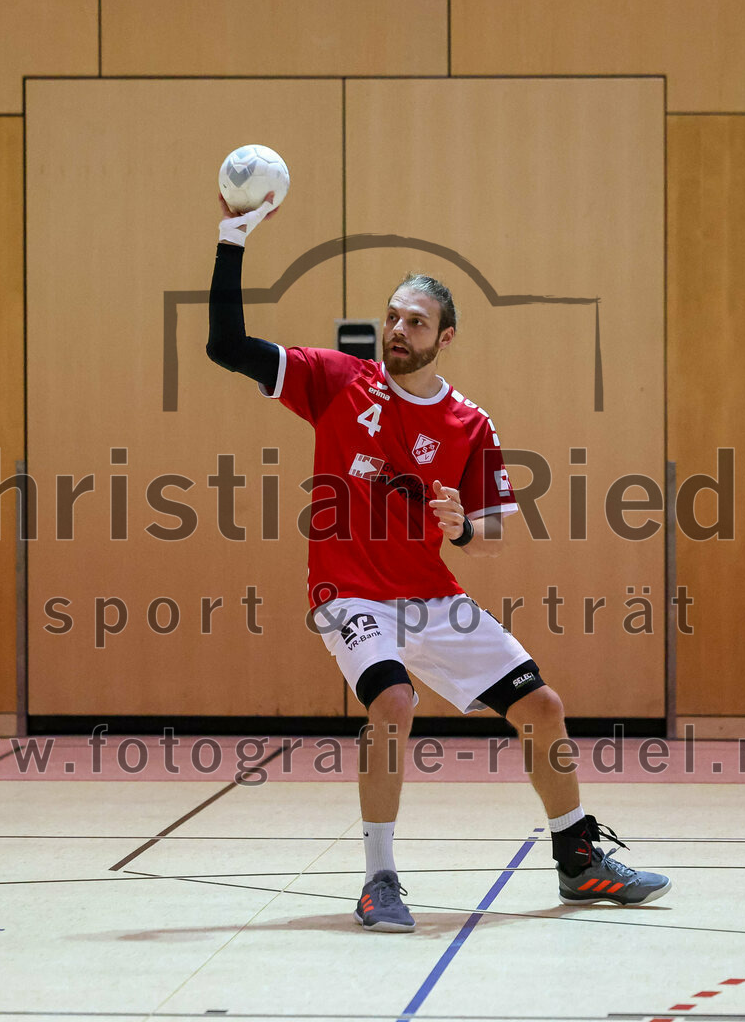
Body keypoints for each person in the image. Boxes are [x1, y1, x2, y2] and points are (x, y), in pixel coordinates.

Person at [206, 194, 670, 933]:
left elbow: (487, 539)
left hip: (426, 593)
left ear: (443, 338)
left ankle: (578, 860)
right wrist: (233, 240)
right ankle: (378, 880)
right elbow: (226, 347)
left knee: (541, 707)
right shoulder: (335, 382)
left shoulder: (470, 424)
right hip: (347, 590)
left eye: (414, 321)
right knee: (393, 703)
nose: (396, 329)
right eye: (391, 316)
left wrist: (459, 528)